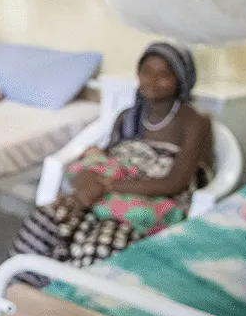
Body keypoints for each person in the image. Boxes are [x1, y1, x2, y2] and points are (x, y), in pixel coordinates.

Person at [12, 42, 213, 279]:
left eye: (164, 74)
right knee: (44, 221)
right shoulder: (127, 118)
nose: (152, 80)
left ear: (181, 79)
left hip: (151, 201)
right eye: (146, 71)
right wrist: (87, 183)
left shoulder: (194, 123)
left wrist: (107, 186)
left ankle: (71, 304)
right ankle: (23, 297)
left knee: (99, 247)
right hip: (107, 192)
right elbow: (103, 161)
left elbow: (175, 183)